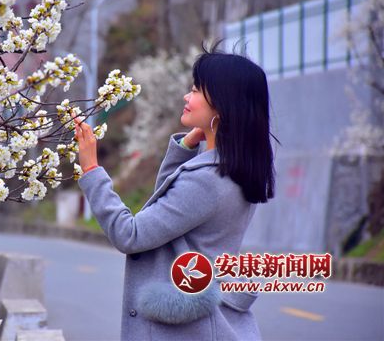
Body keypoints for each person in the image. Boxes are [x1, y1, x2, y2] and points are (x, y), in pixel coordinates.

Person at [72, 41, 279, 340]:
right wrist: (185, 146)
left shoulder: (206, 181)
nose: (186, 96)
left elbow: (130, 234)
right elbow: (165, 208)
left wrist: (92, 170)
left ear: (221, 105)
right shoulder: (237, 169)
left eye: (195, 90)